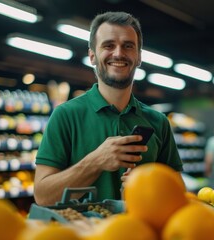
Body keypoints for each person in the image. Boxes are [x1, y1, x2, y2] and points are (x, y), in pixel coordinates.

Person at [33, 11, 183, 205]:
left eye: (128, 46)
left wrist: (153, 184)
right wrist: (95, 161)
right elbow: (43, 196)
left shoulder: (158, 121)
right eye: (108, 45)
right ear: (92, 56)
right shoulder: (66, 115)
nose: (119, 53)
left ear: (138, 57)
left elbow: (179, 194)